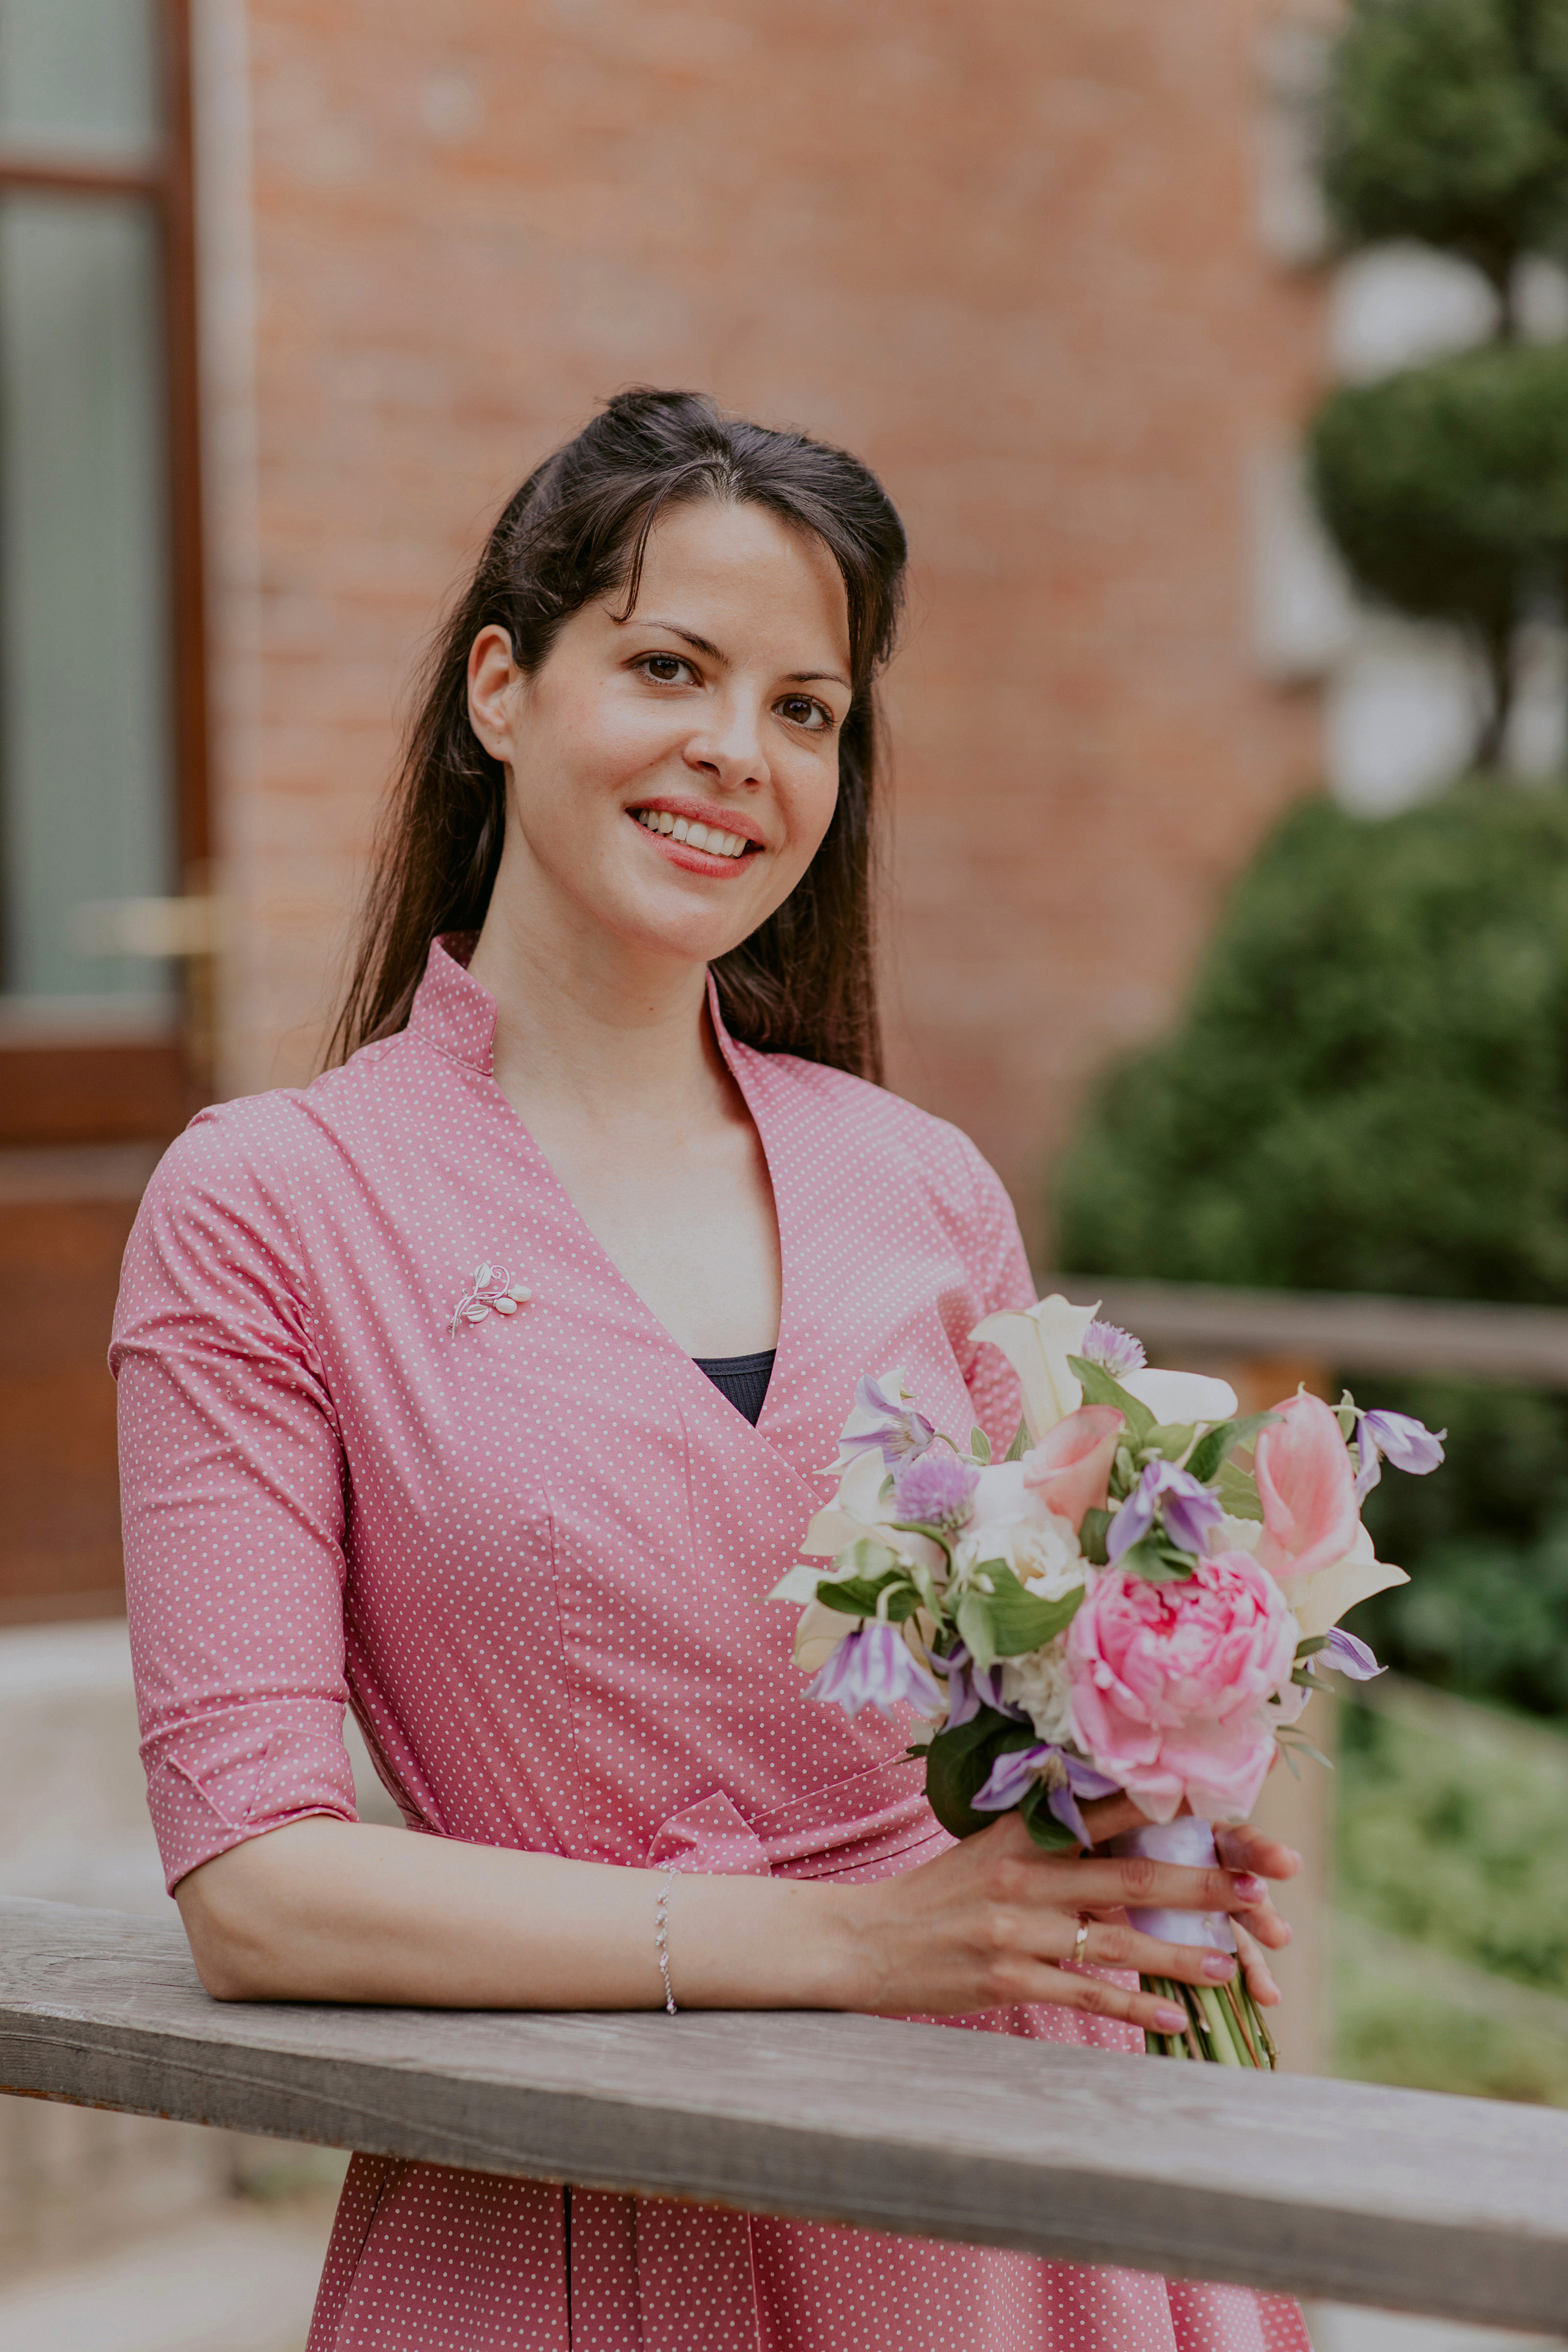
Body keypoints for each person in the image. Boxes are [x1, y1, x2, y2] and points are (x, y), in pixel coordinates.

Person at [112, 389, 1309, 2352]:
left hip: (1009, 2198)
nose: (735, 756)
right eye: (669, 666)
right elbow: (255, 1882)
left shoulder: (919, 1180)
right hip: (581, 2203)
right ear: (503, 686)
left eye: (805, 708)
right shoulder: (273, 1206)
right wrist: (848, 1942)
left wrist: (1134, 1814)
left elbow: (1019, 1718)